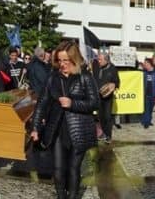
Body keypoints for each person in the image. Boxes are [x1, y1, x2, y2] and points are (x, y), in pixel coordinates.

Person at [30, 41, 99, 199]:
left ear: (74, 59)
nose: (62, 64)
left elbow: (95, 103)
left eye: (65, 60)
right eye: (59, 60)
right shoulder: (53, 77)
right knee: (58, 169)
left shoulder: (85, 77)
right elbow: (42, 103)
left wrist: (73, 103)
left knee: (74, 169)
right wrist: (35, 128)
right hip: (58, 129)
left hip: (79, 129)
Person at [92, 50, 120, 143]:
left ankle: (108, 136)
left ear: (106, 60)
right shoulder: (95, 66)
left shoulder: (112, 68)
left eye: (100, 59)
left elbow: (117, 81)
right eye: (98, 59)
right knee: (101, 116)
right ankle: (103, 134)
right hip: (98, 96)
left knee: (107, 117)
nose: (98, 61)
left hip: (108, 97)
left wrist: (113, 85)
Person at [141, 58, 155, 128]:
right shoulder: (143, 73)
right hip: (146, 93)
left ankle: (149, 120)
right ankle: (146, 123)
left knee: (150, 109)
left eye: (145, 64)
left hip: (154, 94)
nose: (144, 65)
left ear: (149, 64)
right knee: (146, 109)